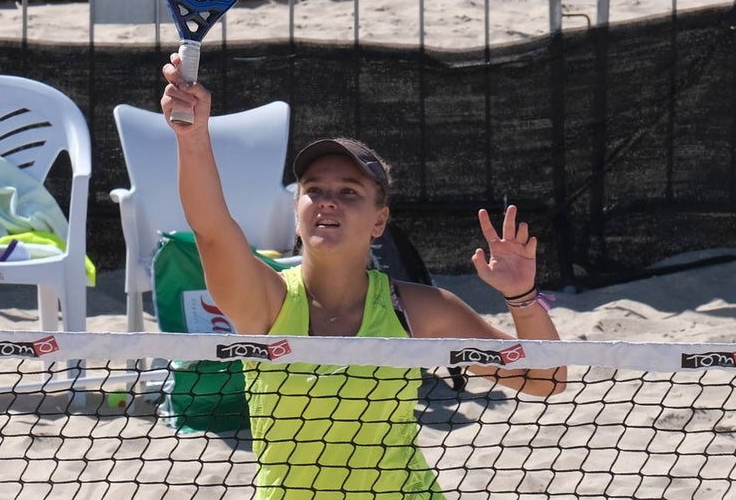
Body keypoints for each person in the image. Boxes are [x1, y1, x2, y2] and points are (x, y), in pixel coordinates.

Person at [160, 54, 565, 499]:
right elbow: (212, 227)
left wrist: (522, 296)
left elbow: (543, 378)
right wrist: (193, 136)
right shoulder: (267, 301)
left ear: (379, 220)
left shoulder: (417, 309)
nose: (328, 201)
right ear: (297, 214)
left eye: (349, 192)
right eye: (314, 191)